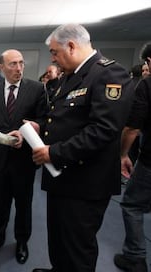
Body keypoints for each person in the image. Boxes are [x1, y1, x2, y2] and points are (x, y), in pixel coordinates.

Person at [31, 24, 133, 272]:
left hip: (85, 182)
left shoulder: (109, 74)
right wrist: (40, 126)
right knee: (58, 237)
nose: (53, 58)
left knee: (77, 248)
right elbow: (63, 118)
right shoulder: (73, 75)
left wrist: (53, 152)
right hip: (63, 177)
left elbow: (103, 130)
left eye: (54, 52)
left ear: (72, 46)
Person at [0, 49, 47, 264]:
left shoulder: (36, 89)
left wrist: (31, 130)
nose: (18, 68)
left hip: (24, 160)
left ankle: (22, 241)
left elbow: (45, 121)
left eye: (21, 63)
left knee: (23, 205)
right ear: (2, 67)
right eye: (13, 64)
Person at [113, 42, 151, 272]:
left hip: (149, 162)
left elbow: (132, 129)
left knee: (132, 205)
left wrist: (122, 154)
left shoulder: (147, 85)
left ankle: (135, 257)